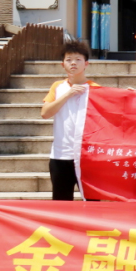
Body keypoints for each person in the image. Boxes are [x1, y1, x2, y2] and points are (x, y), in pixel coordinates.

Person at [40, 41, 98, 202]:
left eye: (78, 59)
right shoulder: (58, 87)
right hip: (61, 155)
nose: (73, 63)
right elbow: (45, 113)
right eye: (69, 60)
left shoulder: (95, 88)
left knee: (92, 203)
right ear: (62, 64)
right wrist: (68, 94)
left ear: (86, 63)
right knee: (61, 203)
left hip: (87, 156)